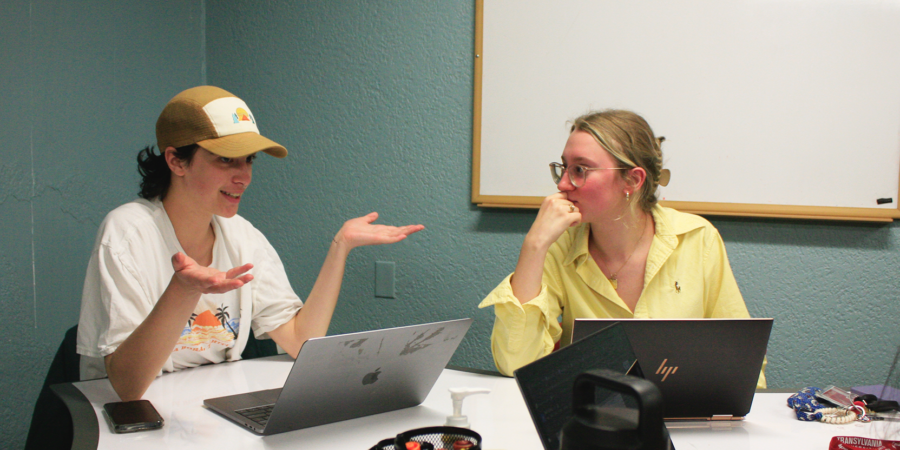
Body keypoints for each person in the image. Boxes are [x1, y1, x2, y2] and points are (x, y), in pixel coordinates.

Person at [76, 86, 424, 401]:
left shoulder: (241, 234)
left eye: (249, 160)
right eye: (225, 159)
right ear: (176, 160)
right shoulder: (126, 234)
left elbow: (300, 340)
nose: (243, 176)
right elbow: (127, 385)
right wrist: (182, 290)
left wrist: (341, 246)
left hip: (208, 410)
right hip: (129, 420)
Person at [478, 109, 765, 388]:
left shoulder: (697, 239)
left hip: (686, 420)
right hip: (595, 421)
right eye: (563, 167)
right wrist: (534, 245)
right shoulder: (560, 245)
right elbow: (515, 364)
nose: (564, 183)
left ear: (633, 180)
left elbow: (741, 360)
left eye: (580, 169)